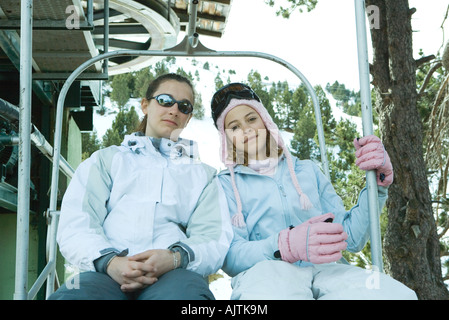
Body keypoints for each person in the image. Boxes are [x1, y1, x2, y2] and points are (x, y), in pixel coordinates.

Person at [210, 82, 417, 300]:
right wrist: (283, 245)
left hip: (325, 270)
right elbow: (231, 256)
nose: (246, 129)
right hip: (267, 274)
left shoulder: (306, 170)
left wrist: (377, 185)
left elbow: (351, 236)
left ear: (265, 120)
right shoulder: (225, 185)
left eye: (251, 119)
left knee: (395, 295)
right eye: (234, 127)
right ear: (226, 139)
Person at [49, 73, 233, 300]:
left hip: (173, 275)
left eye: (184, 106)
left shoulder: (202, 176)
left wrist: (175, 258)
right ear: (145, 105)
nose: (174, 110)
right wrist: (110, 262)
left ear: (188, 117)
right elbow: (77, 223)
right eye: (165, 100)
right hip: (105, 273)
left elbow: (213, 236)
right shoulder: (106, 161)